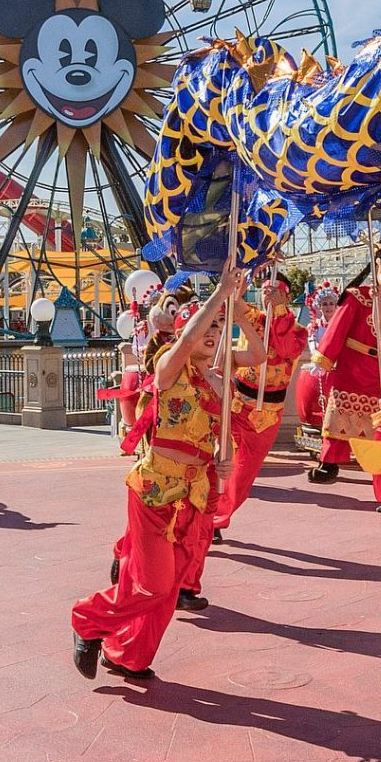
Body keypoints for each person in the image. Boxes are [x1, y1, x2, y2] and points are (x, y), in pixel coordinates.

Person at [72, 267, 239, 683]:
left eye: (218, 329)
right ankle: (87, 620)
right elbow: (183, 342)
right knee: (156, 584)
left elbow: (226, 438)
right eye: (206, 327)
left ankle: (128, 655)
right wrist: (220, 294)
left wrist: (225, 460)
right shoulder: (170, 365)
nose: (213, 334)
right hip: (156, 488)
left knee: (168, 588)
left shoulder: (219, 382)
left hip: (196, 493)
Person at [307, 242, 381, 504]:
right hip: (353, 365)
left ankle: (380, 466)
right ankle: (330, 461)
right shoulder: (359, 296)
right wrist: (324, 359)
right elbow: (337, 328)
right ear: (378, 266)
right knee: (339, 417)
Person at [210, 269, 306, 542]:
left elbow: (285, 347)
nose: (268, 290)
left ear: (286, 295)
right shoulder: (252, 315)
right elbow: (230, 302)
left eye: (275, 288)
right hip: (236, 403)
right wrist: (236, 284)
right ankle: (208, 517)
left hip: (265, 413)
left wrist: (279, 309)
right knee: (220, 459)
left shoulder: (298, 330)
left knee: (242, 475)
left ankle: (221, 516)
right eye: (265, 287)